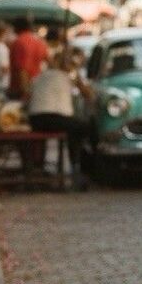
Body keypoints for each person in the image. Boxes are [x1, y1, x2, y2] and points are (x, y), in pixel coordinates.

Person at [27, 49, 94, 188]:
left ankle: (43, 166)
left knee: (74, 129)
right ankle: (76, 165)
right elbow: (89, 95)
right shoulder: (67, 76)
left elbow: (28, 97)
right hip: (56, 118)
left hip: (35, 119)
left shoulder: (39, 76)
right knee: (83, 128)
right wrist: (77, 75)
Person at [8, 16, 49, 99]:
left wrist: (25, 93)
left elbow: (22, 69)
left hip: (20, 91)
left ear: (17, 27)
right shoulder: (39, 42)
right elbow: (49, 61)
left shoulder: (19, 42)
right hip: (37, 87)